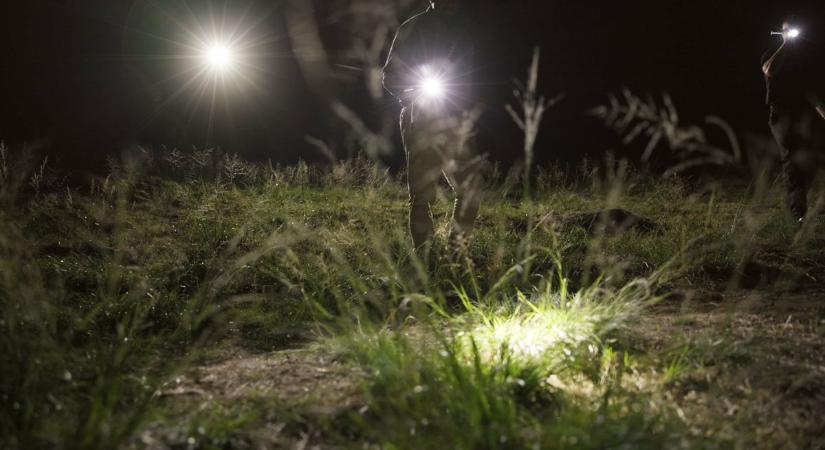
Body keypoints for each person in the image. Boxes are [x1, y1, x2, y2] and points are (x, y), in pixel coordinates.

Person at [383, 0, 485, 251]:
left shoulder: (465, 29)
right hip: (422, 117)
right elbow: (389, 76)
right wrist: (414, 94)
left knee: (471, 188)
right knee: (422, 195)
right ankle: (426, 260)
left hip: (456, 119)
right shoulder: (414, 26)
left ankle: (457, 254)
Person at [762, 17, 825, 222]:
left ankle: (803, 204)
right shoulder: (771, 54)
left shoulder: (801, 62)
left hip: (800, 115)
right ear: (781, 32)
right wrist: (785, 44)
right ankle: (798, 214)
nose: (791, 34)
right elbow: (770, 71)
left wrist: (822, 112)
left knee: (806, 160)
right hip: (779, 115)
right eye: (787, 31)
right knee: (790, 159)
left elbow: (810, 92)